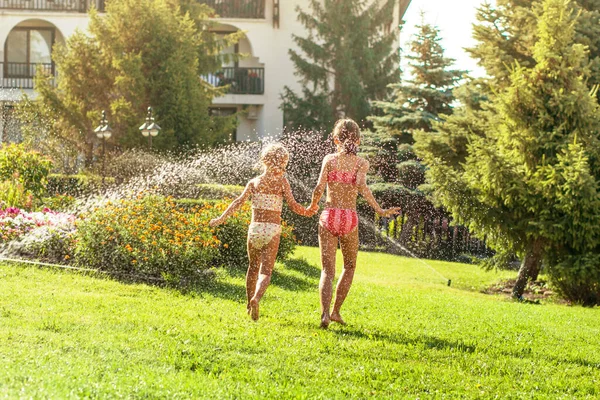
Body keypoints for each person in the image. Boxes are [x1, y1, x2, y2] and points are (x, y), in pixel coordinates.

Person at [308, 119, 401, 328]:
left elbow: (319, 187)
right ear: (358, 140)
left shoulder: (329, 160)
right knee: (349, 266)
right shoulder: (361, 163)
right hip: (349, 217)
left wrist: (313, 205)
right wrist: (379, 209)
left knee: (327, 271)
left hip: (329, 215)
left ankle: (324, 314)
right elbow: (361, 186)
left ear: (335, 139)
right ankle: (336, 312)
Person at [210, 143, 312, 321]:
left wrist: (221, 218)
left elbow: (238, 202)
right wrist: (308, 211)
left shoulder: (254, 182)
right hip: (272, 230)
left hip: (255, 229)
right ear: (283, 163)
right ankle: (257, 298)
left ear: (264, 160)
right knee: (266, 271)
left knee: (252, 267)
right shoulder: (282, 182)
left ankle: (249, 304)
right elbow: (294, 206)